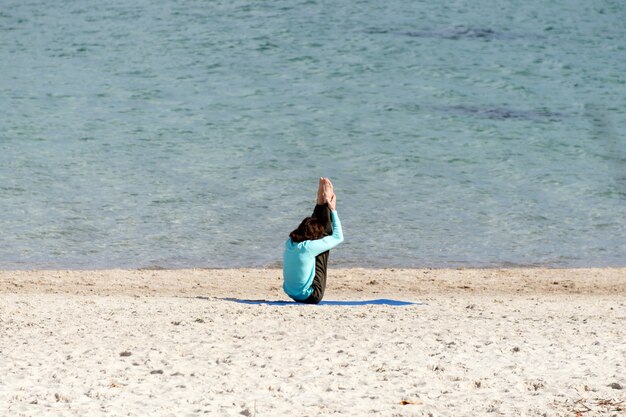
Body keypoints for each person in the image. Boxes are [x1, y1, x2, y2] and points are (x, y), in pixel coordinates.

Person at [283, 178, 344, 304]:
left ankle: (320, 203)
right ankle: (324, 203)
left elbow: (309, 228)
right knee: (324, 244)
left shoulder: (289, 243)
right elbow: (338, 237)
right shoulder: (308, 248)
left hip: (292, 293)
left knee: (319, 243)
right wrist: (333, 210)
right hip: (311, 296)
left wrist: (320, 206)